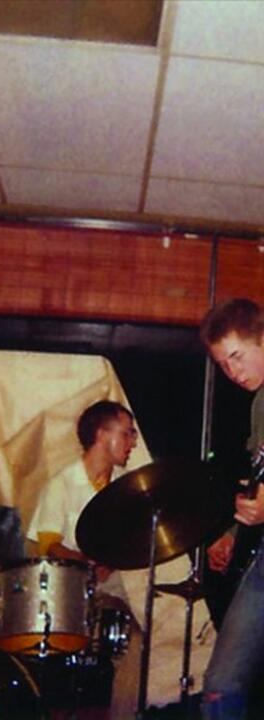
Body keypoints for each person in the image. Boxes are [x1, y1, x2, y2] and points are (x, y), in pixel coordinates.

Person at [27, 399, 139, 717]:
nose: (132, 442)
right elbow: (49, 545)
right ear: (102, 435)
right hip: (71, 585)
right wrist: (88, 563)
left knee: (136, 640)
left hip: (113, 586)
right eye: (127, 433)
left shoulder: (127, 487)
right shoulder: (62, 483)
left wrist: (113, 561)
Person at [199, 298, 264, 720]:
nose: (233, 372)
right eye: (223, 365)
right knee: (221, 684)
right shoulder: (260, 404)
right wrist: (235, 531)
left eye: (237, 357)